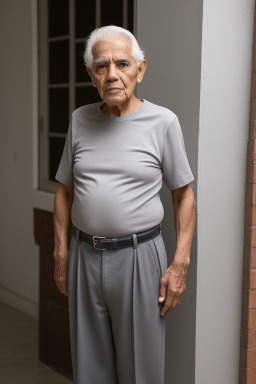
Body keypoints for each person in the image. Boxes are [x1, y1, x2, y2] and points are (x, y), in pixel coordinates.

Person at [53, 25, 196, 384]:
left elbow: (184, 195)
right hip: (84, 256)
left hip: (140, 258)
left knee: (140, 373)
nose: (112, 75)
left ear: (140, 69)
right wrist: (59, 253)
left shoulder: (163, 122)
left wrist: (180, 263)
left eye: (122, 63)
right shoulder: (79, 119)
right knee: (89, 370)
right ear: (91, 74)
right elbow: (64, 191)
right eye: (101, 66)